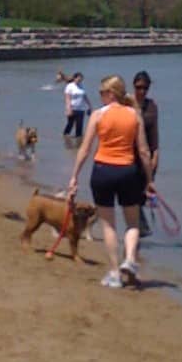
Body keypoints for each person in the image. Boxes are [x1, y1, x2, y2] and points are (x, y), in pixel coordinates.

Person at [67, 74, 152, 289]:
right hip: (127, 171)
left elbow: (85, 149)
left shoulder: (97, 115)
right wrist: (149, 179)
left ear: (110, 93)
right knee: (132, 223)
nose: (100, 97)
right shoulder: (135, 115)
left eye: (102, 93)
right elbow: (143, 151)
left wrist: (74, 176)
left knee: (108, 225)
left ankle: (115, 273)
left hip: (103, 171)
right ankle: (130, 260)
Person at [133, 71, 160, 238]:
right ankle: (138, 229)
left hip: (147, 157)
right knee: (133, 194)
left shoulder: (152, 106)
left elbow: (154, 134)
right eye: (139, 87)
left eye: (145, 88)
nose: (142, 91)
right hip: (130, 156)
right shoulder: (127, 104)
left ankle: (138, 230)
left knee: (143, 195)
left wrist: (156, 155)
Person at [63, 72, 88, 140]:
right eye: (79, 79)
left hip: (81, 109)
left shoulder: (81, 85)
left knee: (79, 125)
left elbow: (84, 96)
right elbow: (67, 98)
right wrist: (69, 109)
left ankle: (78, 140)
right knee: (70, 124)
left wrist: (89, 105)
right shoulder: (69, 86)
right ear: (75, 78)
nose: (80, 80)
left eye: (81, 79)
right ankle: (65, 136)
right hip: (72, 108)